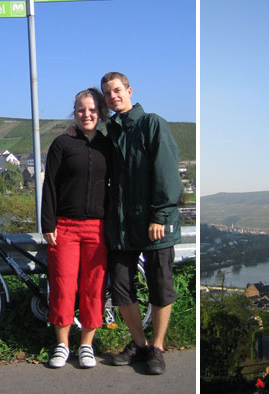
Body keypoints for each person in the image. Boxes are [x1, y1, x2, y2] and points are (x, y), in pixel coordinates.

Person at [102, 72, 183, 375]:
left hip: (154, 225)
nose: (113, 97)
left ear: (129, 90)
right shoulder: (113, 132)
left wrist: (160, 215)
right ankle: (139, 343)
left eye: (117, 90)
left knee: (160, 285)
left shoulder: (152, 124)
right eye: (108, 93)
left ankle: (158, 348)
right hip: (122, 226)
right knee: (121, 285)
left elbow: (167, 173)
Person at [41, 88, 111, 369]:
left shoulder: (109, 145)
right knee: (63, 286)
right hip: (65, 227)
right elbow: (50, 186)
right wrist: (48, 223)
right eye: (82, 110)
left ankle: (86, 345)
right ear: (75, 111)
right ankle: (61, 345)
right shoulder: (61, 144)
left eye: (93, 110)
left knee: (94, 288)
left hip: (98, 228)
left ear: (101, 113)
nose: (87, 114)